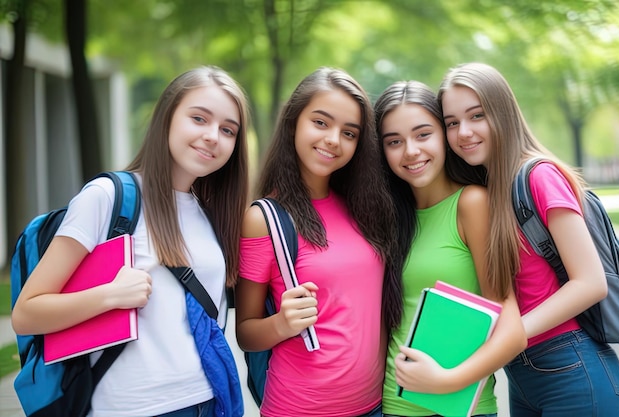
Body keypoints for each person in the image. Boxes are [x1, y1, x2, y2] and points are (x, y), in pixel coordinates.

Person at [11, 65, 250, 417]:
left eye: (228, 129)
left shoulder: (209, 212)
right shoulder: (109, 197)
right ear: (167, 117)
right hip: (131, 407)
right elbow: (26, 314)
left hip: (205, 399)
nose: (213, 135)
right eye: (199, 119)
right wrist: (109, 295)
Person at [438, 62, 619, 416]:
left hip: (572, 368)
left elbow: (590, 282)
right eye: (451, 122)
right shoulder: (487, 190)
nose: (463, 132)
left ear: (503, 113)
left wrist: (509, 335)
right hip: (523, 374)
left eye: (477, 116)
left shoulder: (538, 176)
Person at [235, 67, 399, 417]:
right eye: (321, 123)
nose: (333, 140)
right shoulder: (264, 220)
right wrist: (281, 323)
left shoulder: (365, 208)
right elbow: (246, 333)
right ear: (294, 122)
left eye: (349, 133)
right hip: (300, 409)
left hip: (375, 406)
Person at [374, 80, 527, 417]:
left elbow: (512, 330)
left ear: (444, 135)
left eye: (423, 134)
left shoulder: (471, 204)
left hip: (462, 407)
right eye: (394, 142)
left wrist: (447, 381)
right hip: (391, 407)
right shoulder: (386, 218)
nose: (411, 151)